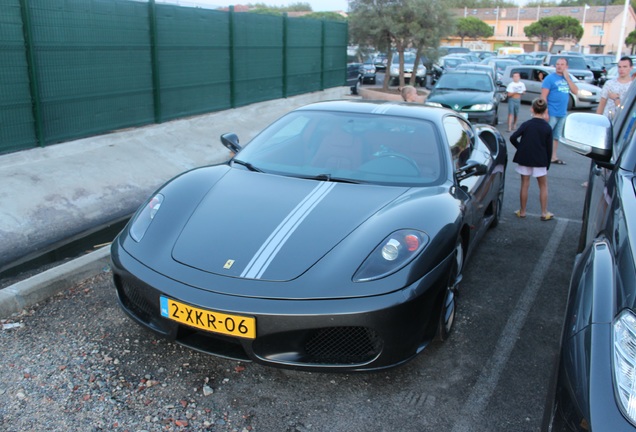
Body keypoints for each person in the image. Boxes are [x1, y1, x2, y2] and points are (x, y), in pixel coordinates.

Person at [510, 98, 554, 221]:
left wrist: (521, 149)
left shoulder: (526, 124)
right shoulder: (547, 127)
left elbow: (513, 137)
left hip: (525, 158)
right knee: (543, 185)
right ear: (545, 110)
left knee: (525, 184)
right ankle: (544, 212)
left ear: (532, 109)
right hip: (540, 160)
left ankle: (522, 211)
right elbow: (549, 148)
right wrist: (547, 164)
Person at [540, 57, 578, 165]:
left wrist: (568, 78)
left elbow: (575, 91)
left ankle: (553, 156)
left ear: (566, 67)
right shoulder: (550, 78)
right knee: (546, 134)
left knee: (556, 136)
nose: (559, 66)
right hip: (552, 111)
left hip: (562, 112)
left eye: (562, 64)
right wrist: (545, 111)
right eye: (557, 64)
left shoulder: (567, 78)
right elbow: (543, 96)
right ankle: (541, 154)